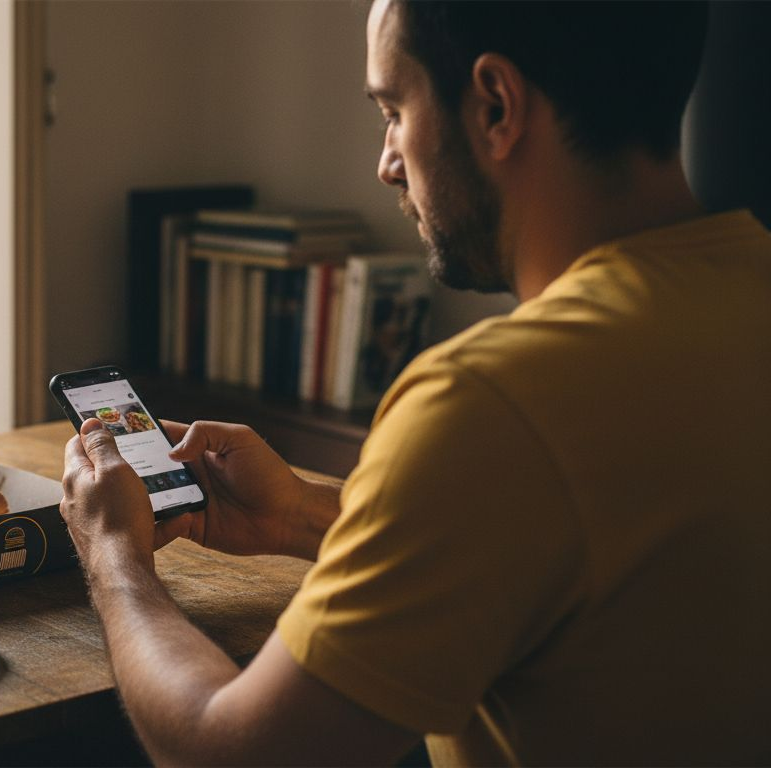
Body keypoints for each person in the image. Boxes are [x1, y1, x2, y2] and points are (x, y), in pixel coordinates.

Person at [59, 0, 771, 764]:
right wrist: (302, 515)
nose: (387, 161)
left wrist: (115, 557)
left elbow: (228, 754)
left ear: (496, 105)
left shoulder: (491, 402)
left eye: (394, 110)